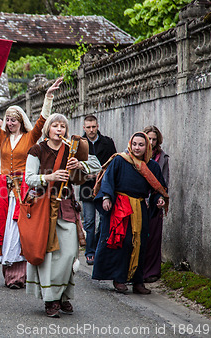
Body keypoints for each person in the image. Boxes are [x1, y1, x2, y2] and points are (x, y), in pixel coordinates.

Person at [0, 71, 63, 289]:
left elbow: (43, 120)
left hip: (24, 187)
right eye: (8, 119)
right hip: (3, 189)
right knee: (4, 228)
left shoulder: (30, 136)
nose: (10, 122)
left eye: (14, 119)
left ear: (20, 120)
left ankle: (21, 275)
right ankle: (9, 274)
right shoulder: (1, 136)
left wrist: (48, 97)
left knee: (20, 227)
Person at [24, 113, 100, 317]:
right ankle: (51, 299)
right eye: (55, 126)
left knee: (69, 254)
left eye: (63, 127)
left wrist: (80, 165)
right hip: (43, 207)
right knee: (49, 256)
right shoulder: (37, 149)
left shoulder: (71, 149)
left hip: (66, 206)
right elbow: (29, 179)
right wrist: (50, 176)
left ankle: (63, 295)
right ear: (48, 128)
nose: (59, 130)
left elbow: (97, 164)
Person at [92, 132, 168, 295]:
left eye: (141, 145)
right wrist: (106, 197)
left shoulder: (152, 166)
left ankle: (138, 281)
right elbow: (108, 180)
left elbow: (158, 188)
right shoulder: (120, 160)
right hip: (121, 207)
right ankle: (119, 279)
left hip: (140, 208)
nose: (137, 148)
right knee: (124, 242)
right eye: (134, 144)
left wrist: (159, 199)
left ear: (147, 146)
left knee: (140, 244)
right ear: (130, 144)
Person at [78, 115, 117, 265]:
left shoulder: (107, 142)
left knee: (105, 218)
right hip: (86, 187)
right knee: (89, 222)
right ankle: (89, 252)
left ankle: (97, 248)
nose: (91, 130)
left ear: (97, 126)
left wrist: (101, 176)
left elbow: (114, 163)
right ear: (84, 128)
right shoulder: (79, 144)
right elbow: (75, 167)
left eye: (93, 126)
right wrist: (85, 174)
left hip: (103, 186)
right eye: (88, 127)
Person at [143, 125, 170, 283]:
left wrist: (162, 197)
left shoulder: (162, 158)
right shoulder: (135, 154)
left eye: (154, 139)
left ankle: (152, 271)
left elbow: (164, 180)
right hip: (139, 199)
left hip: (155, 200)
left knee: (154, 236)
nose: (151, 142)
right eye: (149, 138)